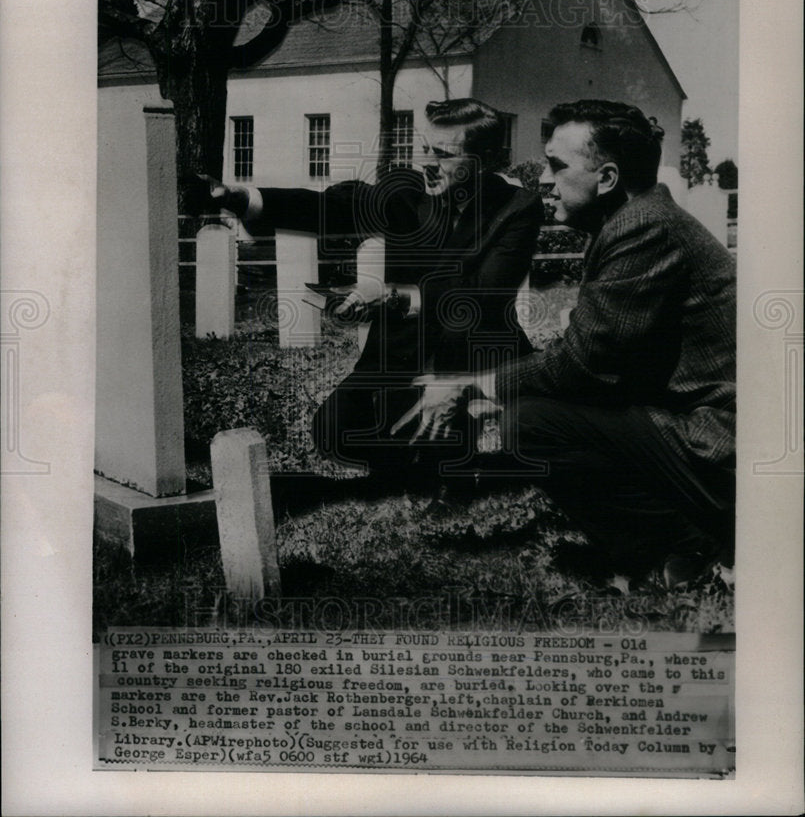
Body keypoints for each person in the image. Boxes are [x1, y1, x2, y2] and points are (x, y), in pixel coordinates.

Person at [393, 99, 736, 586]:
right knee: (534, 409)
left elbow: (582, 365)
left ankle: (684, 549)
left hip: (722, 447)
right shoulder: (635, 220)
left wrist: (472, 388)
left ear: (609, 178)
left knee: (530, 424)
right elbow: (605, 361)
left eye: (556, 166)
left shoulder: (643, 228)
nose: (543, 180)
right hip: (706, 432)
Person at [187, 98, 543, 491]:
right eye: (425, 149)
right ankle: (410, 463)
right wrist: (240, 198)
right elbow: (333, 206)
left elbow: (486, 294)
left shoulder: (517, 208)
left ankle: (449, 456)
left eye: (443, 155)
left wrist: (395, 298)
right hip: (401, 350)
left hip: (474, 352)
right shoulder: (407, 194)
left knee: (441, 452)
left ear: (485, 159)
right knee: (332, 430)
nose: (427, 162)